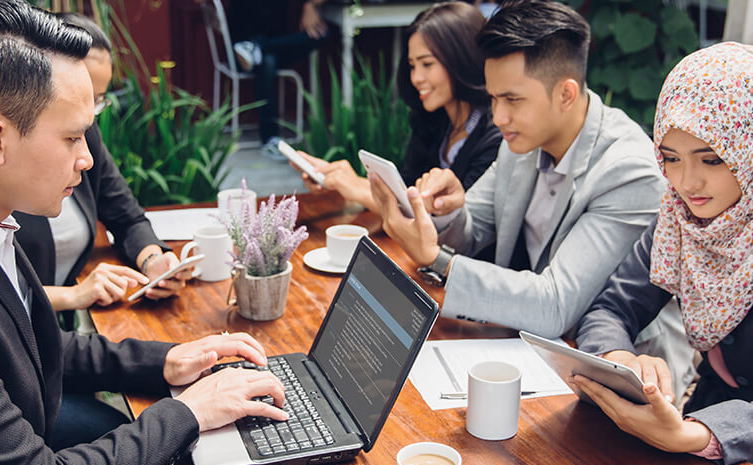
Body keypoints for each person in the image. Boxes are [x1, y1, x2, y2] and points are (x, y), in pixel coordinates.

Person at [0, 1, 287, 463]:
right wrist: (190, 412)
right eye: (72, 138)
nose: (87, 159)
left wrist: (163, 361)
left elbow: (25, 342)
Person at [368, 0, 695, 394]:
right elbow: (475, 229)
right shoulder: (522, 140)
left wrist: (435, 260)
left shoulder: (628, 171)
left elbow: (554, 304)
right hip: (537, 355)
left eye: (512, 99)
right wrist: (446, 210)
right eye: (493, 99)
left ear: (566, 94)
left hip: (628, 382)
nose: (498, 116)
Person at [574, 42, 753, 464]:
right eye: (671, 158)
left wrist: (699, 434)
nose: (687, 182)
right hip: (694, 420)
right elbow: (611, 309)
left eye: (711, 159)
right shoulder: (678, 219)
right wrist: (618, 359)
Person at [14, 12, 189, 316]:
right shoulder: (14, 157)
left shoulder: (86, 136)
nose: (91, 116)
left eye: (98, 99)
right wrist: (73, 295)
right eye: (83, 97)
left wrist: (152, 259)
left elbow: (127, 217)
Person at [296, 1, 501, 214]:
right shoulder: (435, 121)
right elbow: (407, 193)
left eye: (427, 64)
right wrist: (338, 180)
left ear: (461, 59)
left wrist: (356, 188)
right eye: (412, 66)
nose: (416, 78)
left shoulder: (495, 138)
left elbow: (456, 226)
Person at [229, 0, 329, 157]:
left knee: (320, 34)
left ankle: (258, 47)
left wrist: (310, 4)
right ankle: (270, 138)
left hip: (279, 47)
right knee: (267, 61)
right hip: (240, 54)